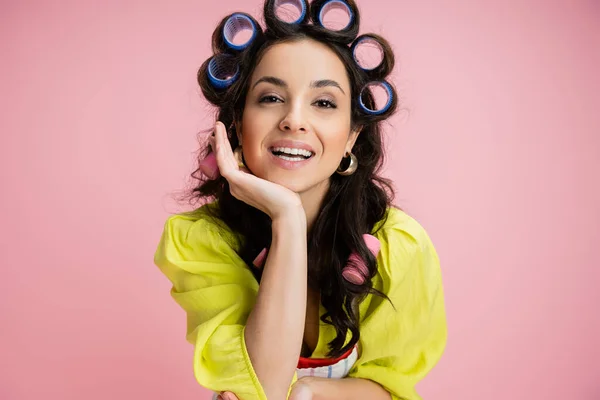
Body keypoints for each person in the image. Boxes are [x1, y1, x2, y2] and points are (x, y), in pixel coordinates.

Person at [154, 0, 447, 399]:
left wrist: (308, 392)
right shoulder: (200, 239)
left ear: (351, 136)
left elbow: (389, 388)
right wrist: (287, 218)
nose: (294, 119)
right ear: (238, 122)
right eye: (270, 98)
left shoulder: (399, 245)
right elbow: (263, 387)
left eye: (324, 103)